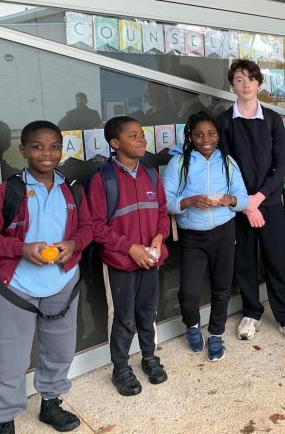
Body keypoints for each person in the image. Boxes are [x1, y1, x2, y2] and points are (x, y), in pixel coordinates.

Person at [0, 120, 93, 433]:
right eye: (37, 146)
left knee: (60, 350)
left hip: (62, 283)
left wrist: (73, 244)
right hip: (16, 288)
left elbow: (88, 228)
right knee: (8, 357)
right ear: (23, 150)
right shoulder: (7, 192)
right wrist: (20, 248)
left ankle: (51, 402)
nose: (46, 153)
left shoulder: (72, 189)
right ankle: (4, 417)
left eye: (54, 146)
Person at [217, 59, 285, 345]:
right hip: (239, 206)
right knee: (243, 262)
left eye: (251, 79)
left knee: (276, 260)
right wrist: (246, 204)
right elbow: (226, 167)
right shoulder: (224, 122)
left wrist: (258, 199)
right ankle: (251, 312)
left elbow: (280, 166)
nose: (246, 84)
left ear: (259, 84)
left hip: (267, 203)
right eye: (239, 79)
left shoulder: (272, 119)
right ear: (232, 85)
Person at [87, 116, 170, 396]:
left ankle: (149, 356)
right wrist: (129, 247)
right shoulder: (103, 179)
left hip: (150, 258)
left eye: (142, 135)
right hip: (120, 262)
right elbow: (96, 226)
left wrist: (158, 238)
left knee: (148, 312)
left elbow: (162, 213)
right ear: (115, 143)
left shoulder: (151, 174)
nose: (142, 139)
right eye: (133, 135)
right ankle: (120, 367)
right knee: (123, 316)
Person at [162, 111, 248, 362]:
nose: (206, 139)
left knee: (221, 287)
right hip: (193, 236)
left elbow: (242, 198)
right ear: (190, 136)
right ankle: (191, 326)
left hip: (223, 231)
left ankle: (216, 334)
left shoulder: (227, 162)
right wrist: (188, 201)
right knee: (188, 292)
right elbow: (165, 201)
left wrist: (230, 200)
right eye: (199, 134)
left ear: (218, 136)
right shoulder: (179, 163)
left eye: (211, 133)